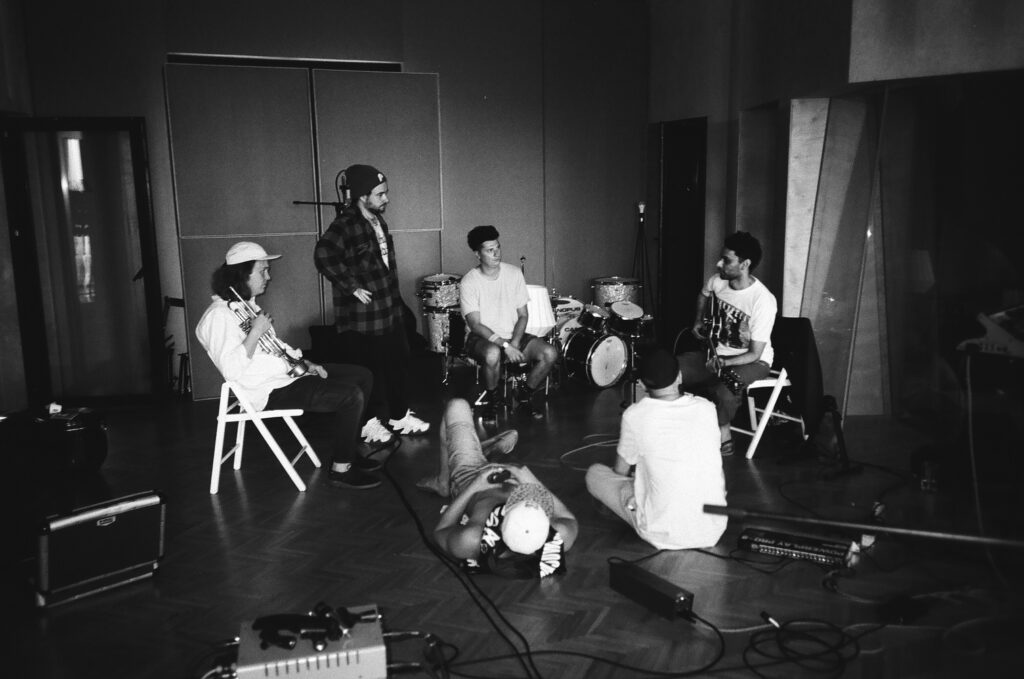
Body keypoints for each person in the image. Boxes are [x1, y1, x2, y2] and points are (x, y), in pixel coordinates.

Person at [196, 241, 382, 490]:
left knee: (362, 375)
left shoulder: (245, 306)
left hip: (287, 376)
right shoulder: (218, 317)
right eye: (263, 271)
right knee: (350, 396)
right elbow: (231, 370)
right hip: (267, 390)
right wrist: (254, 332)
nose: (269, 277)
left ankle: (348, 450)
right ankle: (341, 468)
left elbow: (275, 346)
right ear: (242, 273)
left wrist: (306, 362)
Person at [315, 164, 429, 444]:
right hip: (363, 316)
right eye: (380, 194)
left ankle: (399, 416)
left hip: (388, 307)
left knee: (399, 360)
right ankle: (367, 424)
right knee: (366, 370)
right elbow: (323, 254)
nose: (386, 199)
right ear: (362, 195)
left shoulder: (378, 221)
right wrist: (351, 286)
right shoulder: (345, 224)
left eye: (385, 193)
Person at [417, 399, 578, 578]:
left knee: (457, 406)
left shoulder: (472, 539)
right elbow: (566, 516)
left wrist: (474, 486)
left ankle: (445, 480)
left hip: (470, 477)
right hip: (509, 475)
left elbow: (441, 531)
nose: (517, 498)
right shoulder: (559, 536)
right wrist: (528, 478)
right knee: (507, 437)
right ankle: (489, 452)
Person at [585, 348, 727, 549]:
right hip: (713, 528)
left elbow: (620, 471)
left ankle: (635, 508)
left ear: (641, 384)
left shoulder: (635, 415)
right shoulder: (706, 408)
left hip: (660, 532)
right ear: (679, 376)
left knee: (595, 474)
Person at [677, 231, 777, 456]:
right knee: (672, 370)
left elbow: (755, 353)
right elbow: (703, 294)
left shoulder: (763, 300)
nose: (718, 263)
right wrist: (697, 321)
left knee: (725, 388)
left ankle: (724, 432)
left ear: (745, 264)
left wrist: (724, 362)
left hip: (754, 362)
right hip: (716, 353)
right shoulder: (718, 281)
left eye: (727, 260)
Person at [459, 225, 559, 418]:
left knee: (550, 353)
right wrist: (506, 346)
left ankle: (524, 394)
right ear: (477, 254)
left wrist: (514, 342)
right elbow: (475, 325)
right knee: (492, 354)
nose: (496, 254)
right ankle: (492, 399)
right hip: (480, 338)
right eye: (490, 250)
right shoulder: (469, 282)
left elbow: (523, 315)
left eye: (498, 247)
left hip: (512, 336)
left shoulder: (514, 273)